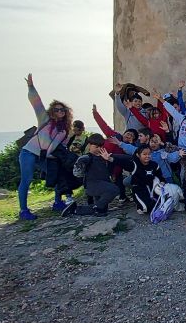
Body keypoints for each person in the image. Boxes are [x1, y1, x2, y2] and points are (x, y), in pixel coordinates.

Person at [17, 73, 73, 220]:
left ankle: (57, 202)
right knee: (26, 180)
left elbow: (62, 144)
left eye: (63, 110)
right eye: (57, 109)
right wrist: (31, 87)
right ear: (52, 111)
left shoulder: (64, 129)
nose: (60, 112)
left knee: (56, 175)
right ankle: (23, 211)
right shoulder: (45, 119)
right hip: (29, 152)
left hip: (46, 156)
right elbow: (37, 102)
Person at [63, 134, 125, 217]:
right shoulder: (86, 158)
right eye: (96, 147)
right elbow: (77, 173)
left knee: (101, 211)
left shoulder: (104, 156)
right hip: (92, 185)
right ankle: (86, 208)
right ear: (89, 145)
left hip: (103, 185)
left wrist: (109, 161)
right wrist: (81, 165)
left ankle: (75, 209)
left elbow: (117, 163)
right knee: (115, 190)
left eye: (100, 146)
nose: (99, 149)